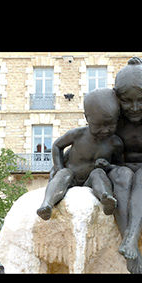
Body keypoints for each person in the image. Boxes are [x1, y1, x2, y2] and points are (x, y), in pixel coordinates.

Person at [108, 57, 142, 274]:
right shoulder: (113, 123)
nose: (134, 107)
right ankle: (131, 247)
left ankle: (131, 237)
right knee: (121, 175)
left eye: (141, 100)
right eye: (127, 101)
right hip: (121, 171)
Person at [37, 88, 123, 220]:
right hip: (71, 178)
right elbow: (57, 146)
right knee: (65, 174)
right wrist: (59, 168)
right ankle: (47, 204)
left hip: (91, 181)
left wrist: (108, 166)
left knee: (98, 173)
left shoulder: (115, 143)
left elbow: (119, 166)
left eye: (111, 125)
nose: (105, 130)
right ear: (87, 118)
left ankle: (106, 198)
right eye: (98, 125)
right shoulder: (77, 135)